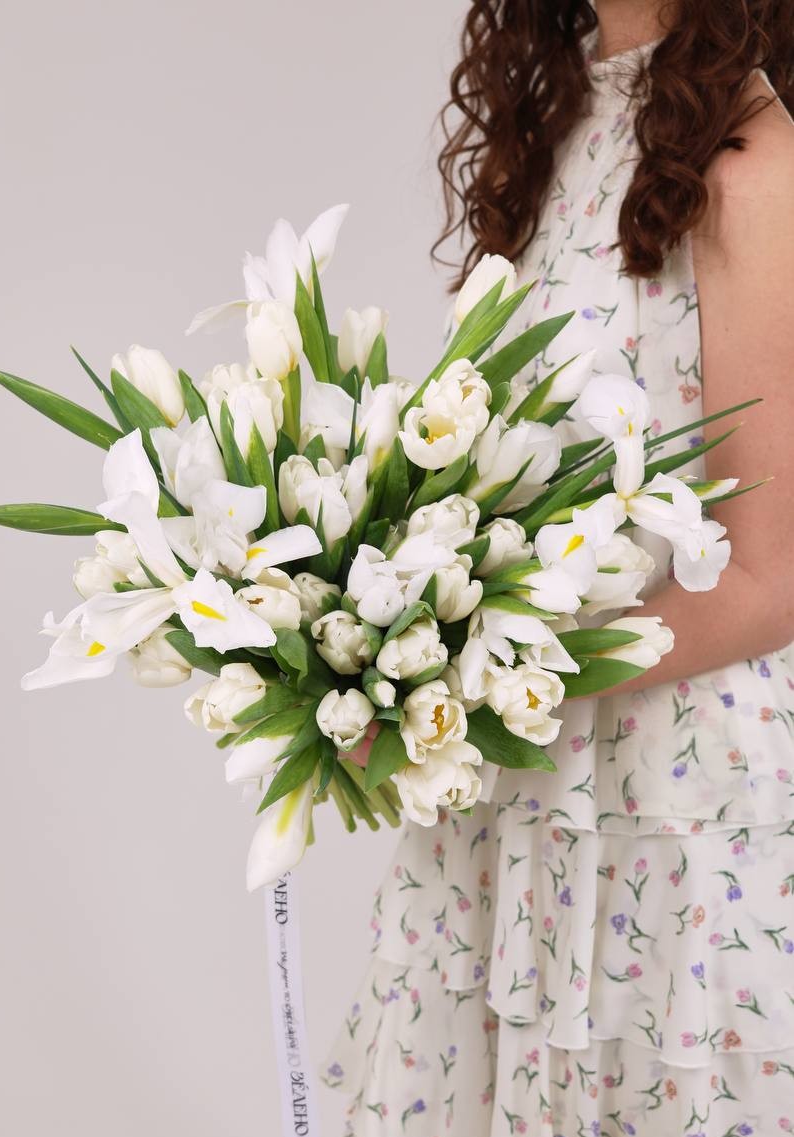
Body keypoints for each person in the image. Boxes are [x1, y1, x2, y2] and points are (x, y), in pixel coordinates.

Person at [323, 2, 794, 1133]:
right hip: (514, 790)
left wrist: (473, 690)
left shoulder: (750, 165)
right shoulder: (562, 122)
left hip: (666, 804)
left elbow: (770, 577)